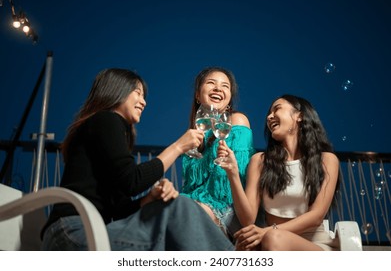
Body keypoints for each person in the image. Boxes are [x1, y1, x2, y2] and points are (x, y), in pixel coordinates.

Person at [40, 68, 234, 251]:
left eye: (144, 96)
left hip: (94, 231)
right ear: (116, 90)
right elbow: (132, 181)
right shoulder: (106, 120)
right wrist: (177, 147)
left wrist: (151, 198)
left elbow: (121, 209)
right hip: (73, 233)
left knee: (175, 216)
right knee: (181, 207)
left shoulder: (105, 130)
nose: (143, 102)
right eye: (137, 93)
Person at [217, 94, 340, 250]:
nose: (269, 116)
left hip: (314, 244)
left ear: (299, 116)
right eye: (269, 113)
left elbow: (316, 216)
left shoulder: (327, 160)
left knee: (272, 238)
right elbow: (248, 219)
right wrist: (233, 173)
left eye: (277, 109)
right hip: (271, 243)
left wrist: (267, 232)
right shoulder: (260, 161)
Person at [181, 66, 255, 239]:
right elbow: (189, 187)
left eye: (225, 86)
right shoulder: (193, 136)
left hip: (228, 210)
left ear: (229, 99)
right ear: (198, 95)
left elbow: (238, 178)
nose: (218, 88)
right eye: (211, 83)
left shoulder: (237, 121)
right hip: (195, 206)